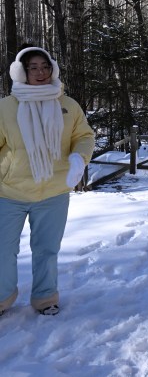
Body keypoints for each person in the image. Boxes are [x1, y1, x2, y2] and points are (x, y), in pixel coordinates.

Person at [0, 46, 95, 316]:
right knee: (2, 251)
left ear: (52, 69)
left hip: (53, 192)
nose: (41, 72)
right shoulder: (5, 108)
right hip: (9, 193)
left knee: (47, 250)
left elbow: (84, 136)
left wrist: (79, 158)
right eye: (34, 67)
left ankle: (45, 298)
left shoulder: (67, 105)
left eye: (45, 67)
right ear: (22, 71)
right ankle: (2, 297)